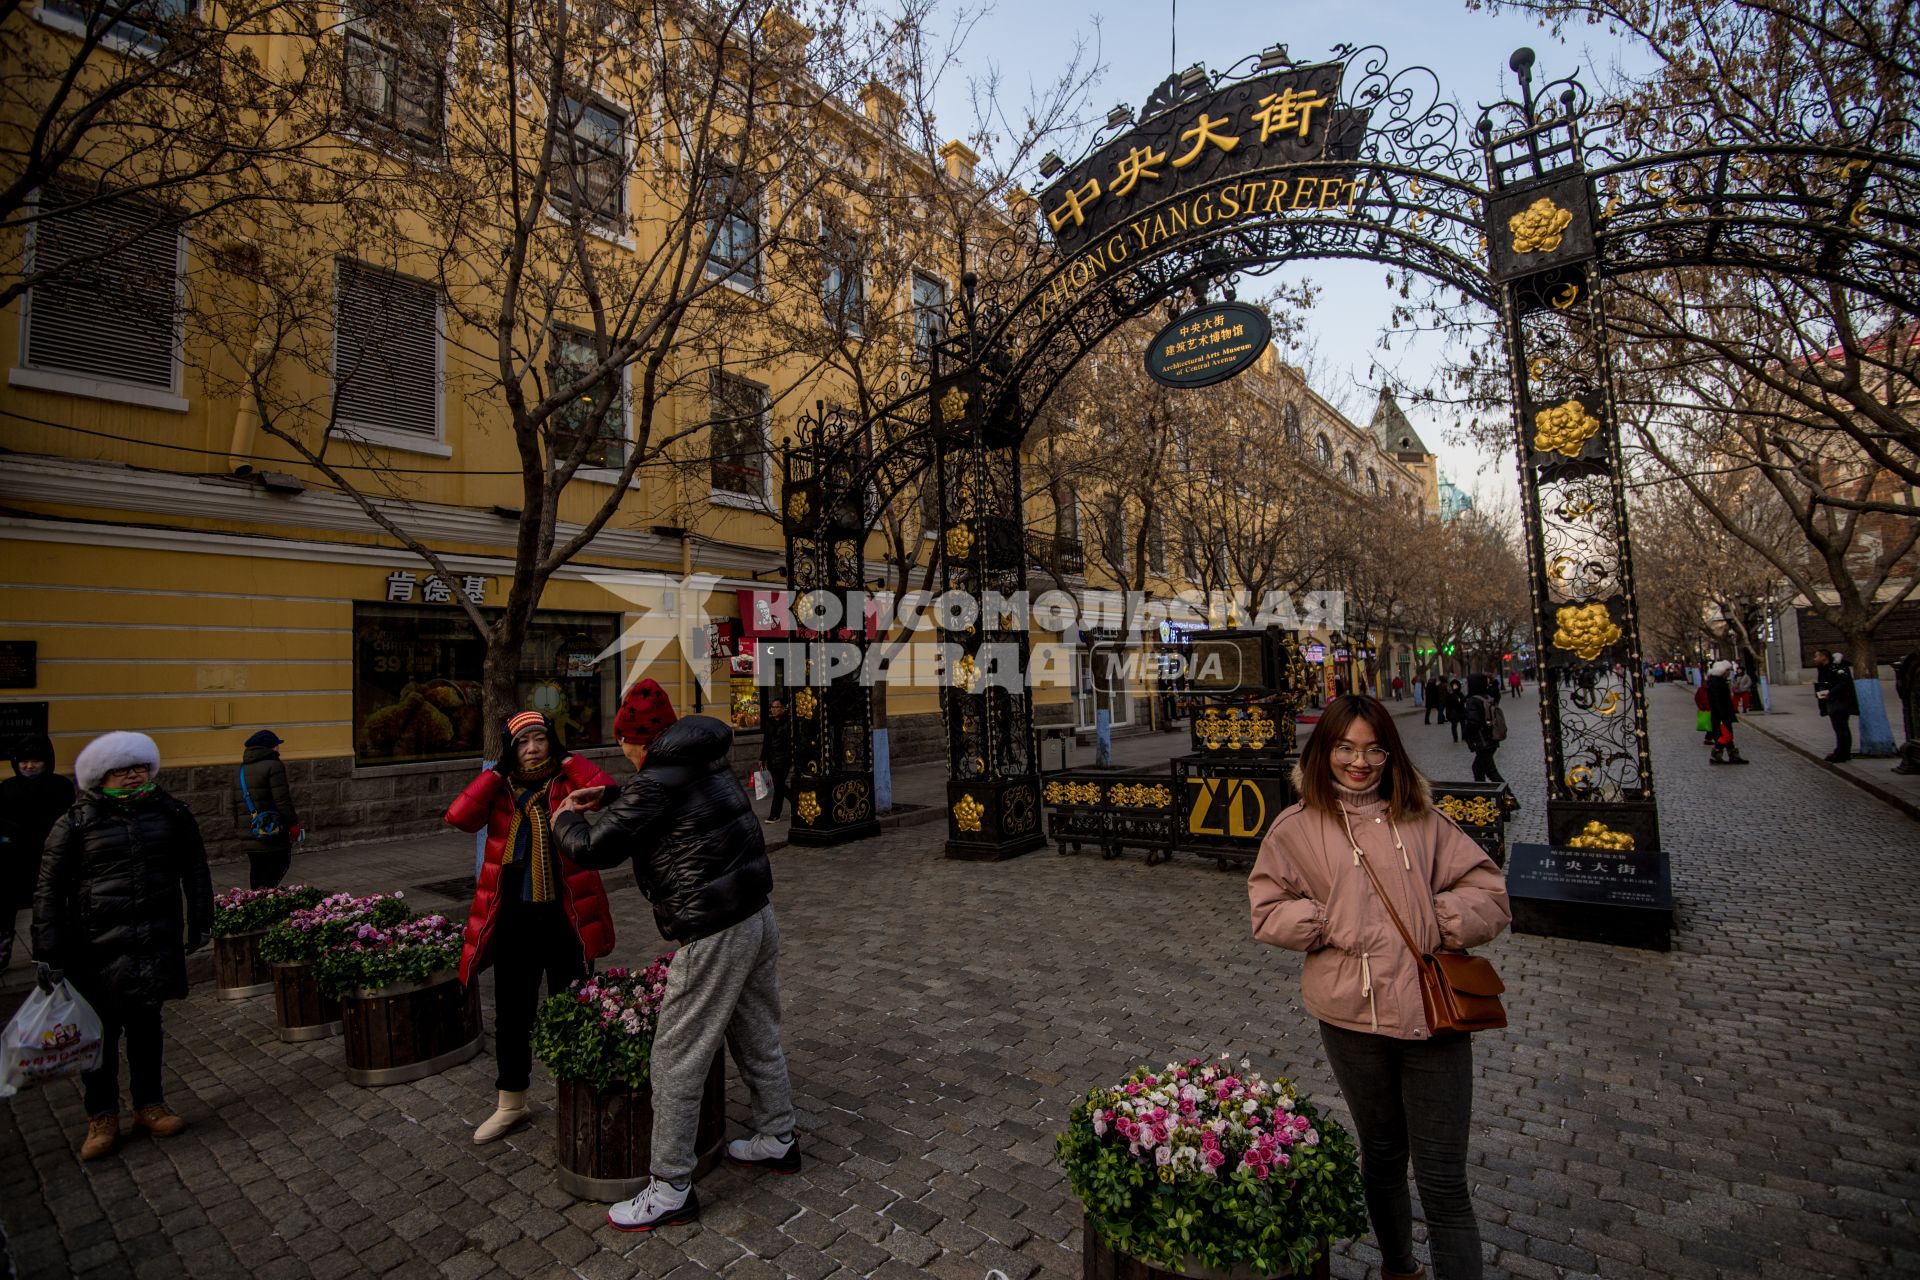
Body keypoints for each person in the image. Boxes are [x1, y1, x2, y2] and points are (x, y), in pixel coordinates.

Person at [1248, 695, 1510, 1280]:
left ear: (1390, 754)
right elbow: (1266, 911)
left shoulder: (1422, 818)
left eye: (1372, 749)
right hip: (1351, 1017)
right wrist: (1326, 922)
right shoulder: (1295, 828)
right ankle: (1399, 1269)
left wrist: (1437, 920)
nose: (1358, 762)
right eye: (1345, 748)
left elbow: (1489, 893)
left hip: (1433, 1016)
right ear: (1324, 752)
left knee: (1443, 1176)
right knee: (1385, 1155)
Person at [552, 679, 797, 1233]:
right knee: (757, 1032)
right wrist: (613, 796)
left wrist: (565, 817)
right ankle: (778, 1136)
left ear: (636, 740)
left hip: (714, 930)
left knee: (676, 1057)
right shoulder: (701, 760)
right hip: (756, 914)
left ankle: (670, 1186)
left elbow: (594, 848)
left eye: (624, 740)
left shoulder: (657, 780)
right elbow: (663, 806)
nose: (623, 751)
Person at [33, 732, 212, 1161]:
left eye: (139, 768)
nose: (133, 777)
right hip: (92, 945)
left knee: (147, 1027)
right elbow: (49, 889)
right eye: (121, 770)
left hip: (151, 937)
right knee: (100, 1033)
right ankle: (102, 1116)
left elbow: (195, 869)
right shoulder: (77, 822)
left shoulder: (170, 812)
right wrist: (47, 948)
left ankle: (150, 1105)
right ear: (101, 778)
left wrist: (202, 919)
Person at [447, 711, 616, 1144]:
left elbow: (607, 789)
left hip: (565, 916)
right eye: (522, 743)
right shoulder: (501, 789)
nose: (533, 748)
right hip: (513, 919)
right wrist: (497, 770)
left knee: (574, 1010)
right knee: (513, 1014)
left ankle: (577, 1094)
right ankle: (512, 1103)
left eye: (540, 739)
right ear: (510, 750)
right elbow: (459, 817)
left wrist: (566, 759)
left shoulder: (564, 781)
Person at [1, 735, 76, 971]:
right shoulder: (7, 788)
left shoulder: (61, 787)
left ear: (47, 761)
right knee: (4, 912)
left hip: (48, 860)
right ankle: (2, 956)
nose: (29, 766)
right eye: (23, 761)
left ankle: (47, 956)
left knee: (48, 912)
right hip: (12, 862)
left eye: (36, 761)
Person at [236, 729, 302, 889]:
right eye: (276, 745)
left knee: (258, 871)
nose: (278, 748)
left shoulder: (241, 769)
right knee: (279, 865)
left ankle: (257, 901)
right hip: (272, 830)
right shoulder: (274, 766)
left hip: (250, 830)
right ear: (269, 747)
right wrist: (293, 824)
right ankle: (266, 901)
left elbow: (234, 805)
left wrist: (240, 828)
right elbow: (282, 800)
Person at [1813, 650, 1859, 763]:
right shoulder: (1824, 668)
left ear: (1824, 657)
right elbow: (1823, 684)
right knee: (1838, 728)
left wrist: (1831, 692)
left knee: (1842, 728)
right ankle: (1839, 751)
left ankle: (1843, 753)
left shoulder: (1837, 668)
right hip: (1832, 701)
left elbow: (1844, 683)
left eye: (1816, 656)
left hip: (1841, 701)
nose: (1814, 659)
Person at [1460, 674, 1505, 783]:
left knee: (1491, 772)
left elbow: (1473, 722)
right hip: (1491, 738)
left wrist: (1466, 734)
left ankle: (1510, 798)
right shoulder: (1486, 697)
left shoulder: (1473, 701)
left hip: (1482, 742)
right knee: (1477, 768)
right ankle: (1482, 796)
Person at [758, 696, 793, 824]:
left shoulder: (789, 722)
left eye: (777, 707)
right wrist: (762, 758)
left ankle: (775, 815)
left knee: (778, 787)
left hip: (784, 758)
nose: (774, 709)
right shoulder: (769, 722)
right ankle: (797, 803)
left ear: (783, 708)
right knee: (780, 785)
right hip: (772, 759)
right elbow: (766, 742)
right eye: (772, 707)